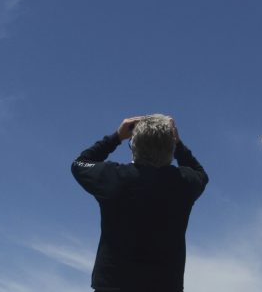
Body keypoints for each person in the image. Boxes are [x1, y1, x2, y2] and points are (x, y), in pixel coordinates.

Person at [71, 114, 208, 292]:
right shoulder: (183, 183)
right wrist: (178, 143)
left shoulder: (115, 178)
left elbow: (80, 163)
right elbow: (200, 173)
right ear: (171, 149)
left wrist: (116, 137)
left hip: (113, 286)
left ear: (133, 146)